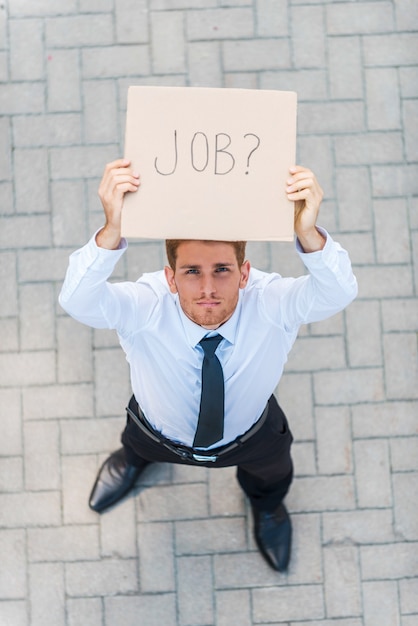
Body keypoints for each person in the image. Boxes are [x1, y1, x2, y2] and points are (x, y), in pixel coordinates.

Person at [59, 159, 357, 572]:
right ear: (170, 277)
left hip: (251, 436)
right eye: (191, 272)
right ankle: (133, 463)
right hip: (156, 431)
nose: (207, 289)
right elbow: (78, 301)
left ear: (244, 272)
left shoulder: (270, 302)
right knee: (136, 445)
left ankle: (267, 508)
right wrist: (110, 232)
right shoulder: (146, 304)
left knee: (271, 476)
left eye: (222, 270)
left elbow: (337, 292)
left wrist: (308, 234)